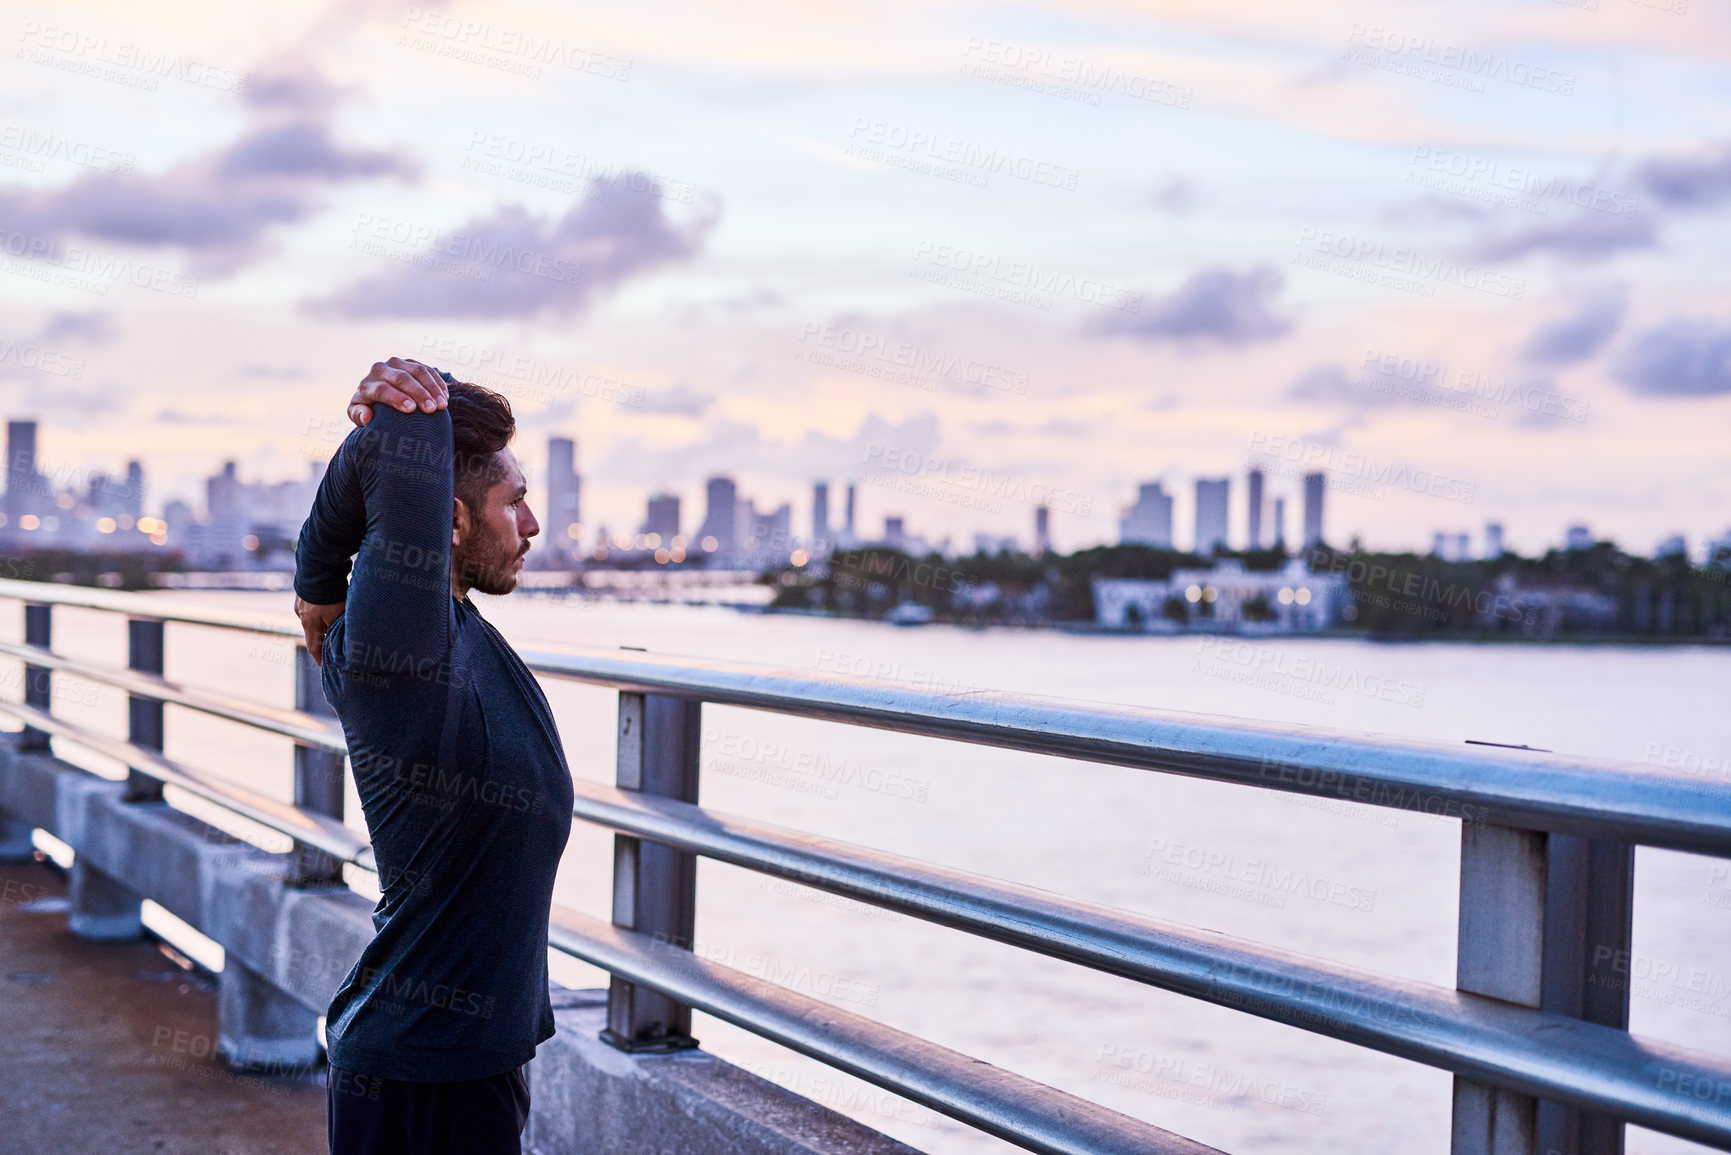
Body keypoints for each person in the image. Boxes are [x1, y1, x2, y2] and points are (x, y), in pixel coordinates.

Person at [293, 356, 574, 1155]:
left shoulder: (458, 632)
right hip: (424, 1074)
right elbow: (409, 432)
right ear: (448, 523)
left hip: (464, 1060)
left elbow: (404, 447)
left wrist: (317, 580)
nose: (531, 525)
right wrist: (412, 397)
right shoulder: (401, 652)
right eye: (513, 501)